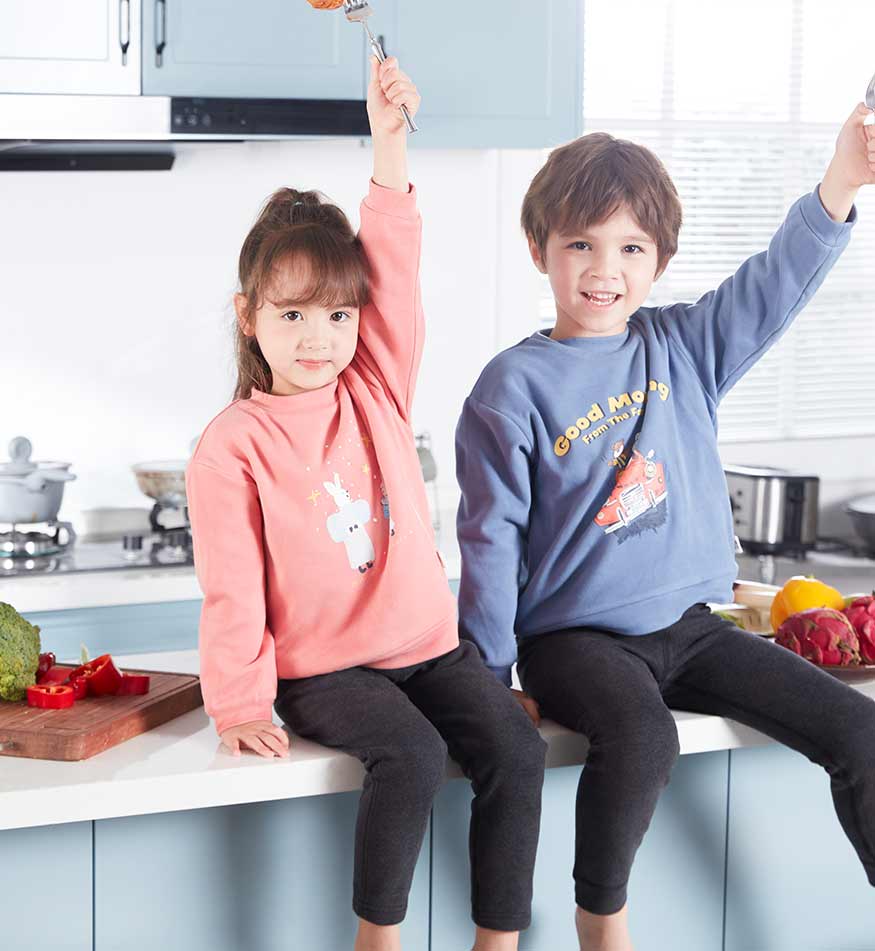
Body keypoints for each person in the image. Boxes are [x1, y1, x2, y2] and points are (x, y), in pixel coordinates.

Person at [455, 103, 875, 951]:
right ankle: (599, 918)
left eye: (630, 248)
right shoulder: (511, 387)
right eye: (580, 244)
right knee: (644, 738)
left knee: (860, 729)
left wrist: (841, 179)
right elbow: (488, 543)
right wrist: (490, 680)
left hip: (692, 631)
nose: (603, 270)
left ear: (660, 261)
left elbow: (774, 282)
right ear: (538, 248)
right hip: (574, 641)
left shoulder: (682, 348)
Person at [186, 57, 546, 951]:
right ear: (247, 315)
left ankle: (497, 941)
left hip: (429, 651)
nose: (320, 338)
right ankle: (376, 941)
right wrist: (240, 705)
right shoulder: (234, 443)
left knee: (517, 747)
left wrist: (389, 146)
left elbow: (394, 264)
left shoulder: (375, 387)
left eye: (338, 316)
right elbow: (232, 590)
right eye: (294, 315)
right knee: (412, 755)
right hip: (326, 673)